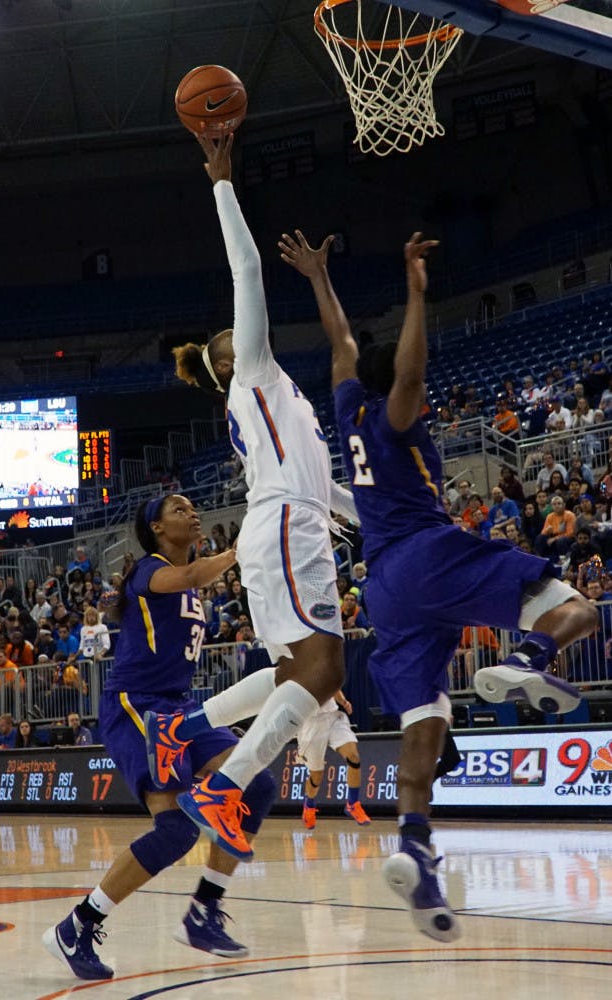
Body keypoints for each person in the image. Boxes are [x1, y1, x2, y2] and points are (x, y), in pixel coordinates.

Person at [278, 226, 597, 944]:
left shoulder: (348, 408)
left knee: (425, 720)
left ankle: (415, 845)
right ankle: (526, 661)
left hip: (385, 585)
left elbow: (338, 345)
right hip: (428, 552)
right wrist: (415, 292)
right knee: (574, 607)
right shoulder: (393, 417)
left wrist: (318, 279)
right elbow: (411, 378)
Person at [143, 133, 357, 863]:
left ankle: (182, 726)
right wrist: (223, 182)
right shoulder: (253, 371)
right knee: (322, 671)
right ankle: (223, 785)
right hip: (287, 530)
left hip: (284, 522)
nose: (247, 327)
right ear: (228, 358)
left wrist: (384, 521)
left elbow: (326, 487)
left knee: (296, 674)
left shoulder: (274, 397)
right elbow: (247, 267)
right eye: (236, 334)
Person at [42, 494, 277, 981]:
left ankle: (203, 910)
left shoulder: (193, 580)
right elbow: (190, 576)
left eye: (194, 507)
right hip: (137, 706)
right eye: (178, 509)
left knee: (255, 784)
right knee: (176, 831)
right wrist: (240, 549)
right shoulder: (148, 570)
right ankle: (78, 925)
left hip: (180, 705)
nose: (193, 513)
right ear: (155, 528)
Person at [298, 690, 371, 829]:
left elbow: (334, 686)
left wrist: (343, 701)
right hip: (311, 723)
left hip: (333, 717)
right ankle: (309, 806)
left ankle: (353, 804)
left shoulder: (325, 667)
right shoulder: (292, 673)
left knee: (353, 758)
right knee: (316, 775)